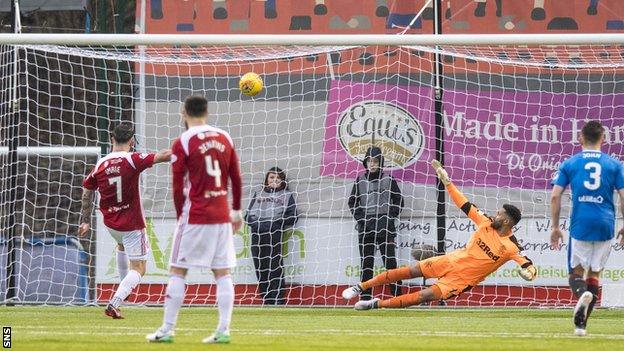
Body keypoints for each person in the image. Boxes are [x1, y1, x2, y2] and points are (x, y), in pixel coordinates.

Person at [342, 160, 538, 309]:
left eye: (499, 214)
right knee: (409, 271)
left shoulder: (511, 246)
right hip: (450, 260)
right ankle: (361, 286)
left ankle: (375, 305)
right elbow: (464, 204)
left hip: (460, 280)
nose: (495, 214)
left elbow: (528, 265)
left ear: (506, 221)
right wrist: (448, 182)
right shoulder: (485, 222)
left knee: (423, 296)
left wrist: (530, 274)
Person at [146, 95, 243, 344]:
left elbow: (177, 186)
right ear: (207, 112)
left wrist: (181, 216)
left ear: (183, 113)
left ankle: (167, 329)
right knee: (222, 272)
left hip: (196, 215)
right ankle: (223, 330)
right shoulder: (225, 137)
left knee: (178, 270)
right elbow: (236, 178)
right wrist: (236, 211)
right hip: (222, 215)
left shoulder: (183, 141)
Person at [78, 122, 171, 319]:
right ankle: (115, 302)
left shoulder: (101, 165)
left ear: (112, 139)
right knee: (139, 268)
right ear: (131, 141)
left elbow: (87, 191)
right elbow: (163, 155)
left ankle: (122, 289)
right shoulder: (132, 159)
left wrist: (85, 220)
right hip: (131, 224)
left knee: (121, 246)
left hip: (111, 224)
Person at [550, 120, 624, 336]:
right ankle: (581, 325)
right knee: (594, 273)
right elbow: (622, 195)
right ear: (604, 139)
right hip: (605, 224)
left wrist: (555, 227)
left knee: (576, 273)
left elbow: (555, 196)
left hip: (581, 224)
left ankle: (582, 293)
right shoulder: (614, 164)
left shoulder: (570, 163)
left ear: (580, 138)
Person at [348, 146, 404, 300]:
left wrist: (389, 217)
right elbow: (352, 202)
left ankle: (397, 297)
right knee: (367, 264)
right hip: (366, 227)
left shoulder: (389, 179)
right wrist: (362, 219)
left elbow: (399, 200)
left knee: (391, 264)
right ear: (365, 163)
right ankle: (365, 299)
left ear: (381, 163)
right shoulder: (359, 180)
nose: (372, 164)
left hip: (385, 226)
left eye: (375, 161)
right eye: (369, 161)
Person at [245, 167, 298, 305]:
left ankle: (278, 298)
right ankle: (266, 298)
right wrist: (257, 225)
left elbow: (293, 217)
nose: (274, 180)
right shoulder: (258, 193)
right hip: (257, 234)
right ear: (266, 180)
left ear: (282, 181)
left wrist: (276, 224)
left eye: (277, 178)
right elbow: (247, 216)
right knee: (260, 266)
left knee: (275, 266)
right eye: (271, 177)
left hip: (274, 234)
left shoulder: (287, 195)